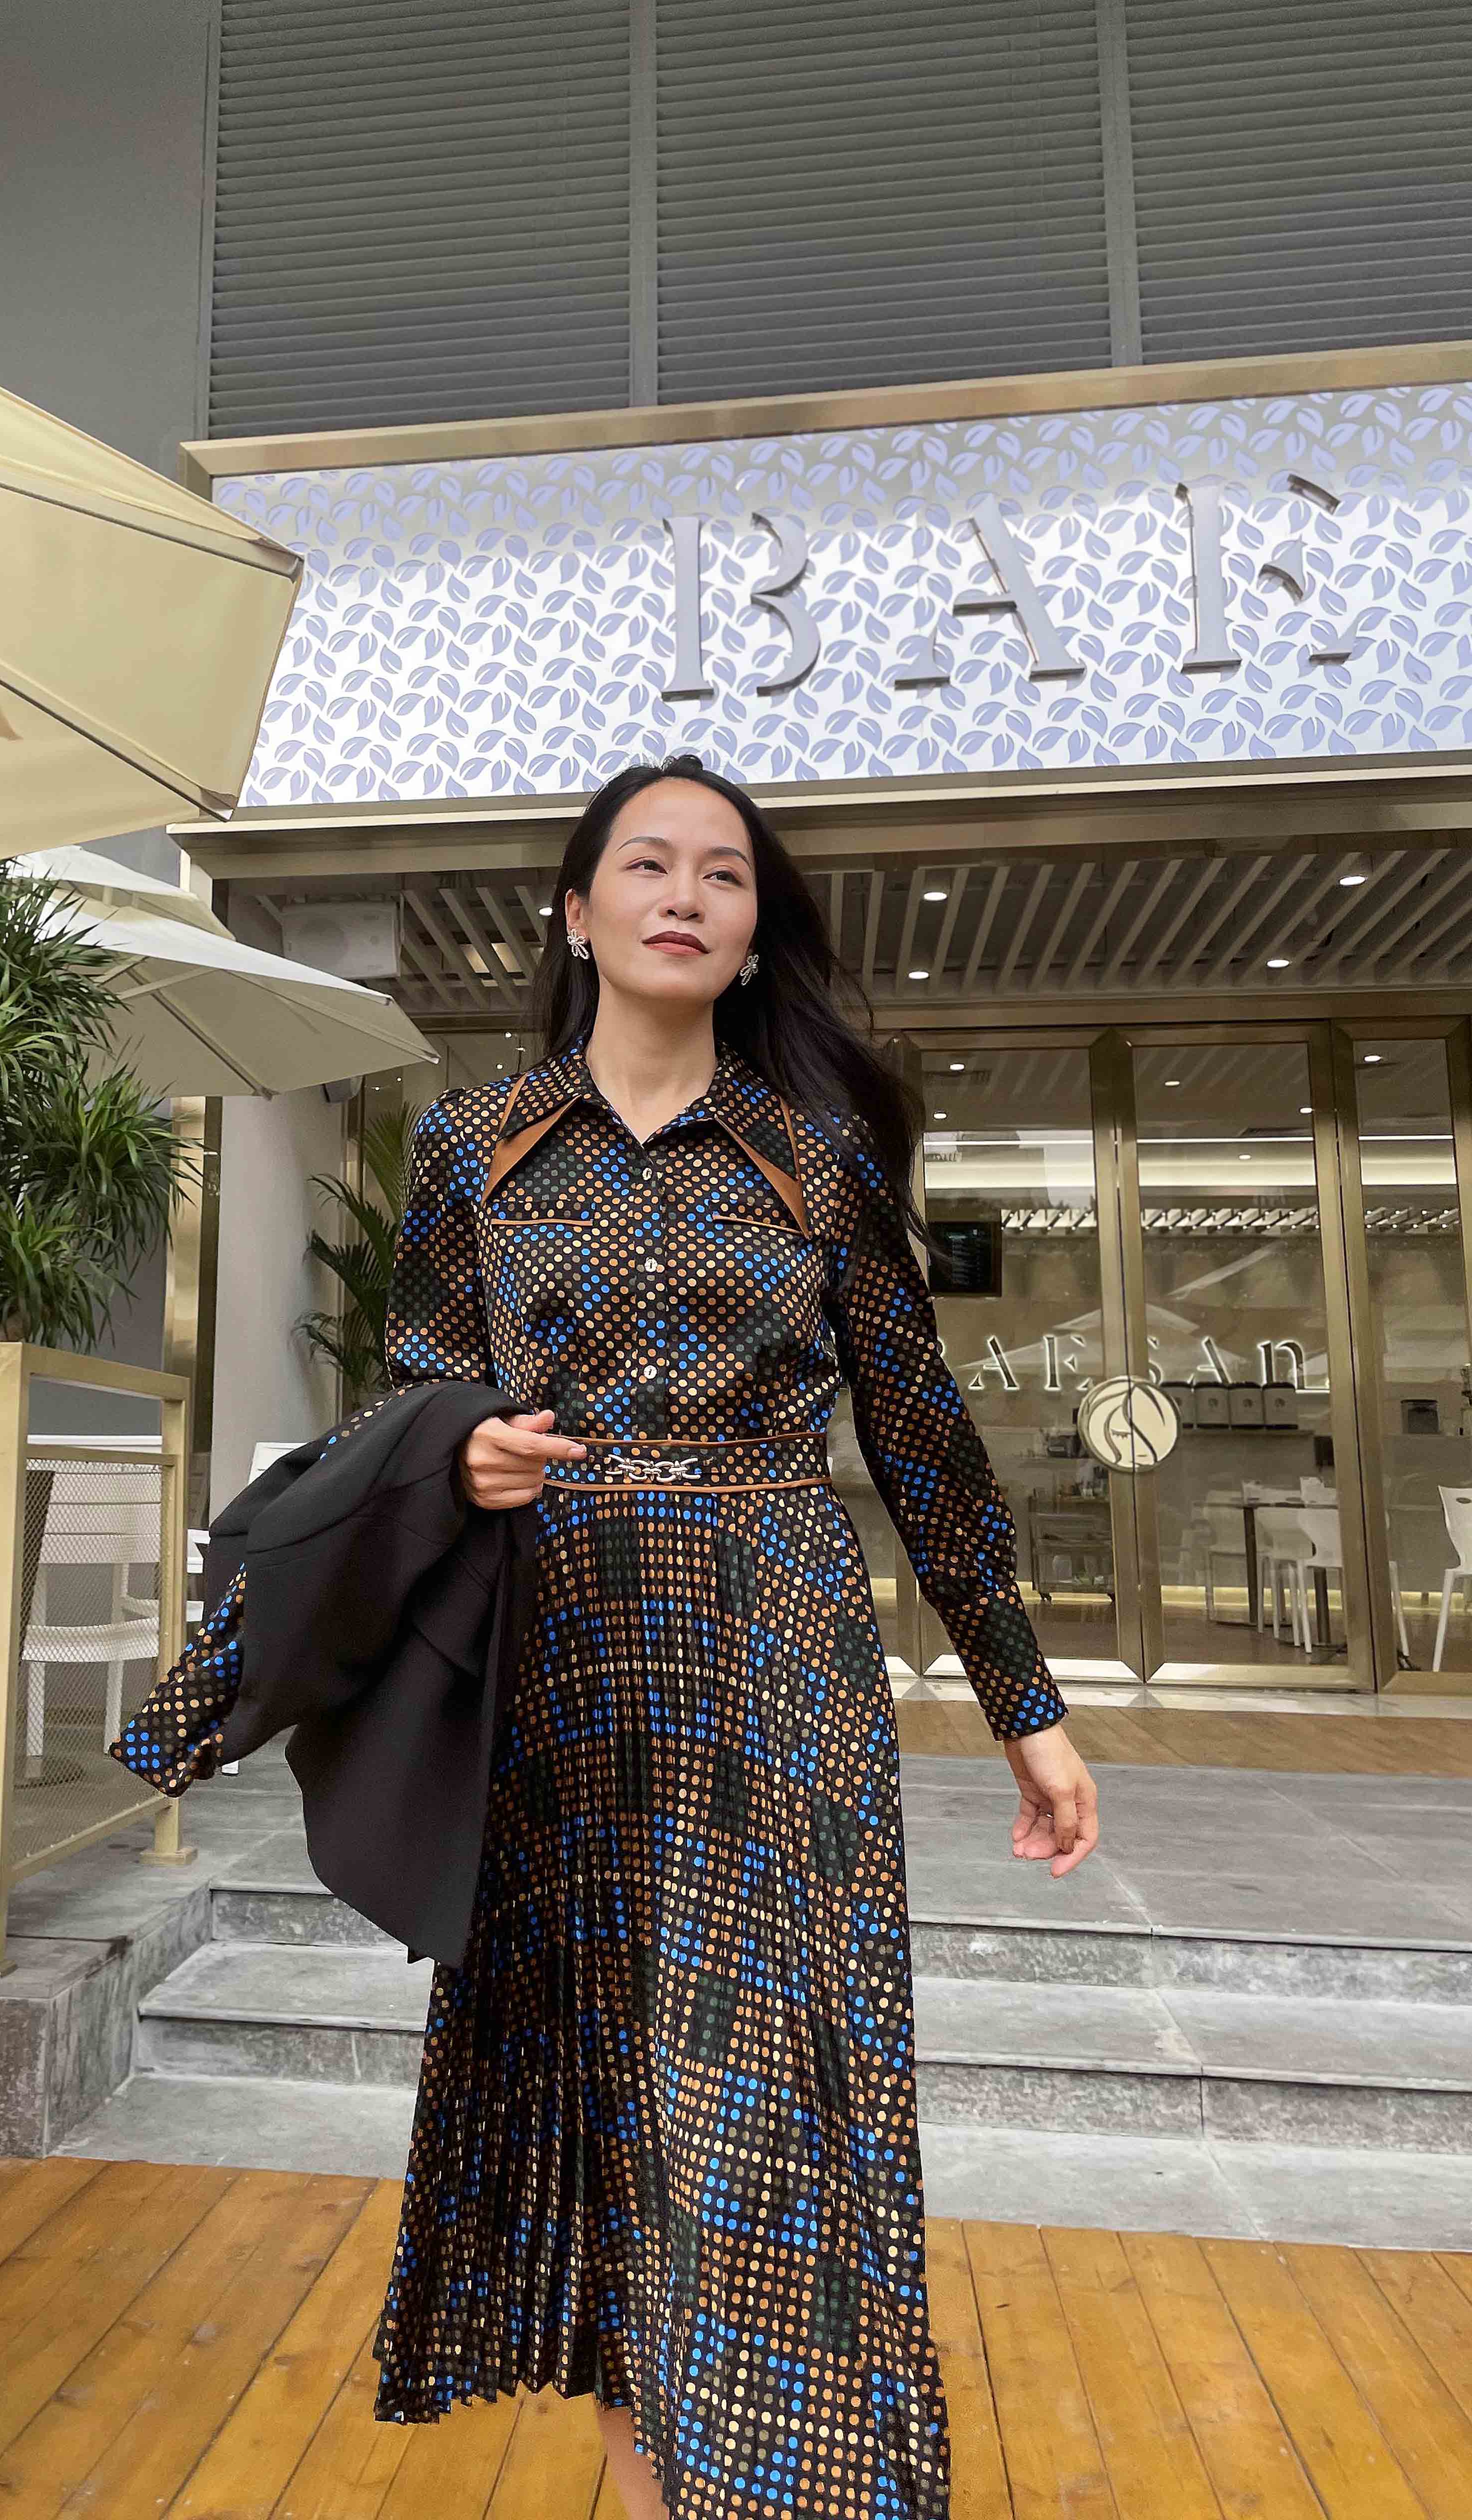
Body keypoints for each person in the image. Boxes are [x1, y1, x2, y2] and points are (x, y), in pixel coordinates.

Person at [368, 753, 1098, 2520]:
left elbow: (921, 1438)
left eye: (724, 873)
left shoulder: (815, 1157)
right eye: (648, 864)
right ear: (579, 911)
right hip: (561, 1669)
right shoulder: (474, 1143)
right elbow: (410, 1397)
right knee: (614, 2095)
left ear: (756, 933)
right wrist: (458, 1449)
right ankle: (658, 2487)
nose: (685, 894)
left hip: (775, 1664)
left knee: (768, 2095)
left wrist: (1025, 1704)